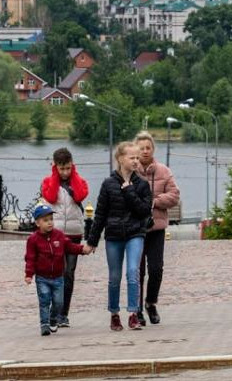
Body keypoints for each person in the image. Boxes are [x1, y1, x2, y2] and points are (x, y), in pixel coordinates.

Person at [86, 141, 153, 331]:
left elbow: (144, 210)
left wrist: (129, 190)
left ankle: (133, 314)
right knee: (114, 277)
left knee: (132, 272)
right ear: (120, 159)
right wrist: (92, 241)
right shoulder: (108, 184)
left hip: (135, 234)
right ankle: (114, 314)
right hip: (114, 235)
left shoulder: (142, 184)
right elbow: (100, 214)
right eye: (132, 157)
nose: (136, 161)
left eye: (137, 158)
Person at [133, 131, 180, 326]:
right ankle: (136, 309)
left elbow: (174, 195)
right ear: (135, 150)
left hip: (157, 228)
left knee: (156, 269)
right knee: (137, 271)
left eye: (148, 148)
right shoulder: (130, 170)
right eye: (141, 148)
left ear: (153, 149)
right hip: (135, 229)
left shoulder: (164, 171)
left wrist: (155, 202)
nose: (145, 151)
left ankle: (150, 303)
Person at [40, 147, 90, 328]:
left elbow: (80, 195)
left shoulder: (79, 181)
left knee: (69, 273)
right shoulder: (48, 182)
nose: (65, 172)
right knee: (57, 272)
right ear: (55, 167)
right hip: (56, 233)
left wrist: (73, 175)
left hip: (74, 233)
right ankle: (54, 311)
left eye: (68, 168)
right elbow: (51, 197)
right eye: (61, 169)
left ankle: (63, 314)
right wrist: (55, 176)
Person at [24, 204, 92, 336]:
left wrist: (82, 249)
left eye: (51, 219)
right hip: (42, 278)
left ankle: (53, 318)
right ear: (38, 223)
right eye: (45, 220)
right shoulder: (33, 240)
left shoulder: (59, 236)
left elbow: (70, 247)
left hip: (58, 278)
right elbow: (30, 258)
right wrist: (29, 274)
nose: (49, 222)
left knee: (59, 302)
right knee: (44, 300)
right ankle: (44, 324)